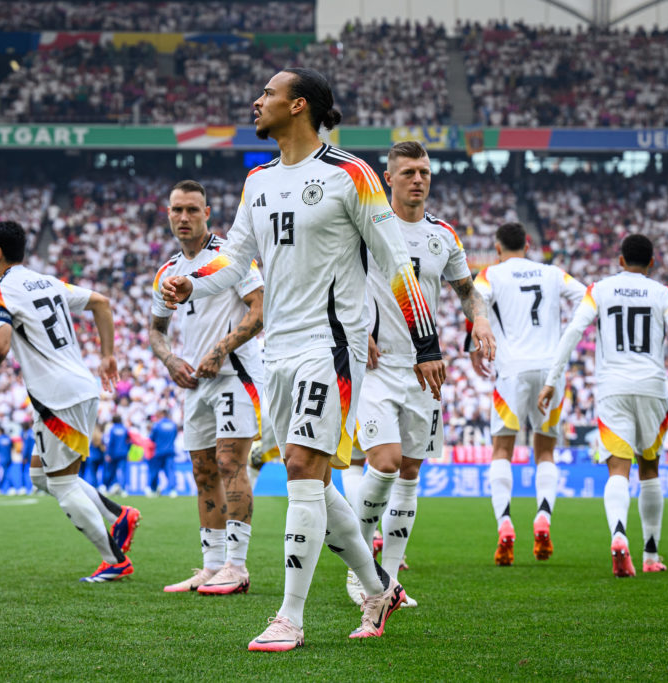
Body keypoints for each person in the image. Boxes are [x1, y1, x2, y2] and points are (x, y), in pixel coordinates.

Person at [162, 68, 445, 650]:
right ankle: (377, 586)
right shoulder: (257, 182)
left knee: (299, 468)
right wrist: (192, 282)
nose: (256, 100)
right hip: (279, 351)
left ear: (297, 106)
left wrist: (426, 344)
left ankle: (289, 617)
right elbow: (235, 260)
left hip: (332, 346)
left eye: (266, 93)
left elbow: (398, 263)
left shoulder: (352, 175)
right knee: (318, 482)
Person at [347, 141, 495, 606]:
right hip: (376, 366)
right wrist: (356, 329)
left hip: (424, 373)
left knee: (411, 472)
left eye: (425, 172)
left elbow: (468, 291)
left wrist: (482, 319)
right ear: (388, 178)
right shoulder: (366, 228)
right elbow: (335, 282)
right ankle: (361, 571)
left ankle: (387, 583)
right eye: (408, 171)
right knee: (386, 462)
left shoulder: (443, 236)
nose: (418, 179)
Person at [0, 220, 140, 582]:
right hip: (74, 388)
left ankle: (114, 560)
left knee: (60, 484)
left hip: (59, 397)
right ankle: (119, 515)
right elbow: (101, 303)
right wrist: (107, 354)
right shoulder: (46, 281)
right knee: (41, 475)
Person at [537, 234, 668, 577]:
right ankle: (651, 554)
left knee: (618, 469)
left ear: (620, 261)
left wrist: (552, 379)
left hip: (612, 388)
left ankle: (619, 535)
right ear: (651, 263)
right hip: (652, 387)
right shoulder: (664, 293)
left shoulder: (599, 289)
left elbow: (573, 332)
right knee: (649, 469)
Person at [150, 179, 265, 595]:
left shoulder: (230, 258)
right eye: (177, 210)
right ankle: (211, 565)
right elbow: (156, 329)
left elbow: (260, 308)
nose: (184, 217)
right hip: (193, 382)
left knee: (230, 462)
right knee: (203, 472)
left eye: (192, 210)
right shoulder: (168, 271)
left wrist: (221, 349)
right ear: (168, 214)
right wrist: (170, 359)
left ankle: (237, 565)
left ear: (207, 213)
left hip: (235, 374)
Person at [471, 222, 586, 566]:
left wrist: (477, 341)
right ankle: (544, 518)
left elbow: (474, 300)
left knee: (502, 448)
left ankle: (505, 524)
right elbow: (585, 297)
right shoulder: (552, 273)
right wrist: (564, 334)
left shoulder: (491, 274)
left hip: (512, 370)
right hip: (551, 369)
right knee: (545, 450)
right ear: (528, 244)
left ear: (497, 247)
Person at [147, 411, 179, 497]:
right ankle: (172, 490)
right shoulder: (173, 425)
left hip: (158, 452)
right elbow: (175, 436)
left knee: (154, 471)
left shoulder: (157, 425)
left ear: (161, 415)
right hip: (170, 451)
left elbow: (151, 438)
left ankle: (154, 490)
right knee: (170, 471)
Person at [103, 415, 130, 496]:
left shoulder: (112, 429)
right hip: (123, 454)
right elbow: (129, 441)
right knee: (123, 471)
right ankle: (124, 490)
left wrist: (108, 454)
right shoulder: (125, 429)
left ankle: (109, 488)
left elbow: (110, 442)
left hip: (113, 454)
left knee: (111, 471)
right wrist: (127, 451)